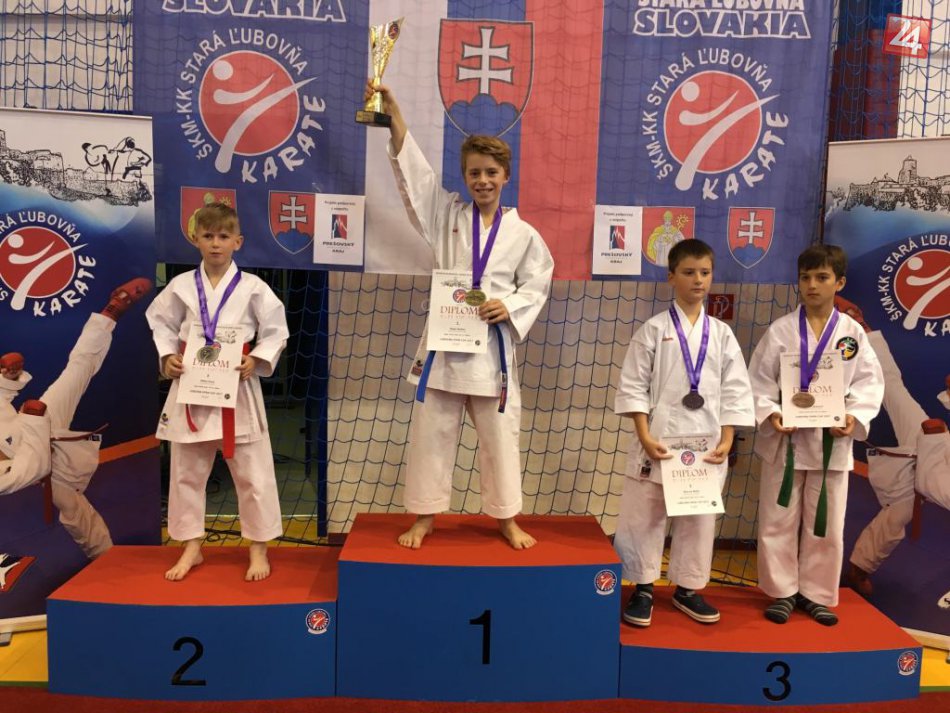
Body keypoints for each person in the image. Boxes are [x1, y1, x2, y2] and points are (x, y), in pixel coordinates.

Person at [367, 80, 554, 550]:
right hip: (446, 348)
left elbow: (538, 281)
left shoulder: (524, 234)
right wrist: (394, 117)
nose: (482, 180)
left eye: (491, 172)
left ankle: (506, 519)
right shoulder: (446, 214)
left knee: (500, 440)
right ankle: (425, 517)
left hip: (491, 353)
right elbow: (416, 178)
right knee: (432, 435)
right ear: (465, 176)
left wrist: (509, 305)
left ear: (505, 175)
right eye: (474, 172)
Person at [614, 239, 754, 627]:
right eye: (689, 272)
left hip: (705, 443)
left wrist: (728, 438)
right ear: (671, 276)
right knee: (646, 513)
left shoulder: (721, 334)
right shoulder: (654, 330)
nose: (698, 280)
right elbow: (633, 386)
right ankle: (643, 587)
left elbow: (735, 390)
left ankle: (688, 588)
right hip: (658, 440)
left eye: (705, 273)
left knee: (698, 517)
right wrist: (644, 435)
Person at [146, 202, 289, 582]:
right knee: (186, 473)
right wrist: (167, 356)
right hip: (192, 385)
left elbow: (276, 331)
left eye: (223, 236)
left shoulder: (254, 288)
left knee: (253, 473)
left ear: (237, 241)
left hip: (236, 387)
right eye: (208, 236)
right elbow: (160, 323)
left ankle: (258, 548)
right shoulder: (180, 286)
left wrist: (256, 359)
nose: (215, 244)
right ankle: (191, 545)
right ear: (195, 239)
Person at [749, 245, 884, 626]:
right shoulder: (780, 331)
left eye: (822, 277)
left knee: (827, 523)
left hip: (831, 443)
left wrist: (853, 416)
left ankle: (816, 593)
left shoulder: (852, 335)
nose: (812, 285)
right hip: (786, 442)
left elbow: (869, 384)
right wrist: (772, 413)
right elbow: (758, 383)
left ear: (839, 282)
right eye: (805, 277)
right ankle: (781, 592)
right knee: (777, 520)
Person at [0, 277, 152, 558]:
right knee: (73, 508)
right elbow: (29, 472)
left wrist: (8, 378)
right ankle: (105, 557)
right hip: (34, 450)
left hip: (31, 422)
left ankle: (111, 312)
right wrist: (34, 421)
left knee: (77, 371)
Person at [836, 297, 950, 597]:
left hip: (935, 457)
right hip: (936, 445)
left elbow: (930, 484)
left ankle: (859, 568)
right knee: (893, 389)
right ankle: (862, 328)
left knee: (900, 509)